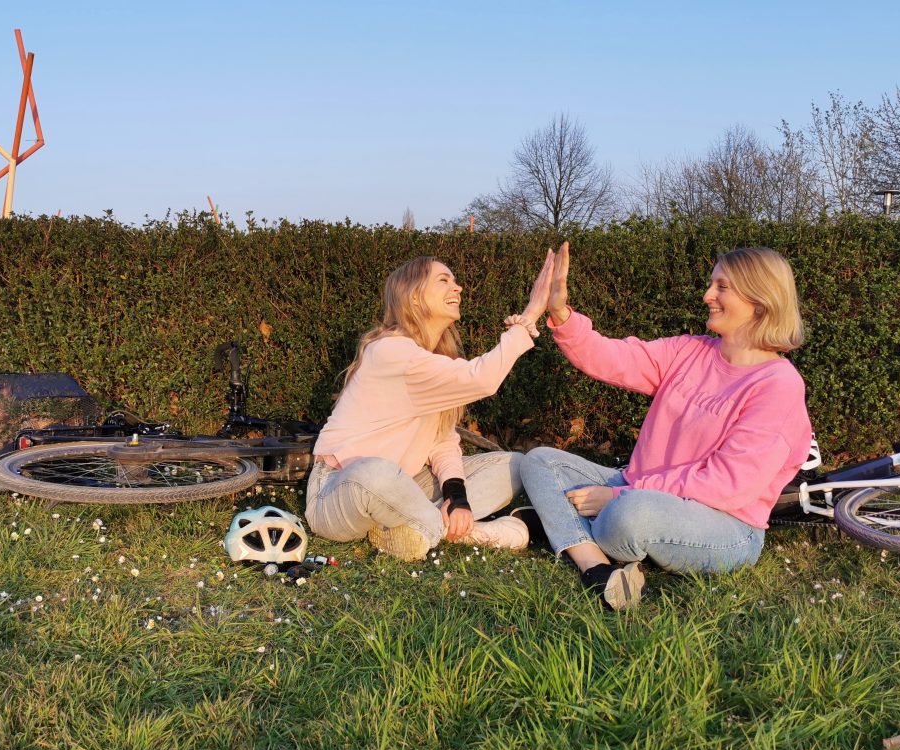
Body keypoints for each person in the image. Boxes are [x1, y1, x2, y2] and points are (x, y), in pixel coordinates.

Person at [520, 243, 813, 610]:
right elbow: (613, 358)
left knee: (627, 517)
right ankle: (595, 569)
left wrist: (620, 496)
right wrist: (561, 313)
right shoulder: (689, 351)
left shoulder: (777, 385)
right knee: (540, 462)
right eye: (711, 285)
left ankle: (558, 525)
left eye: (722, 287)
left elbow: (726, 486)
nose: (707, 296)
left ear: (759, 300)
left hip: (726, 525)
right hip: (638, 488)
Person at [306, 251, 554, 562]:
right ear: (413, 297)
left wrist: (457, 497)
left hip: (407, 486)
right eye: (443, 280)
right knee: (377, 472)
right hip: (340, 490)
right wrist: (530, 315)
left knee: (515, 465)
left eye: (455, 280)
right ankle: (474, 533)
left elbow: (442, 441)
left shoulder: (435, 359)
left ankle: (410, 527)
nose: (458, 288)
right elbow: (482, 379)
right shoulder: (389, 351)